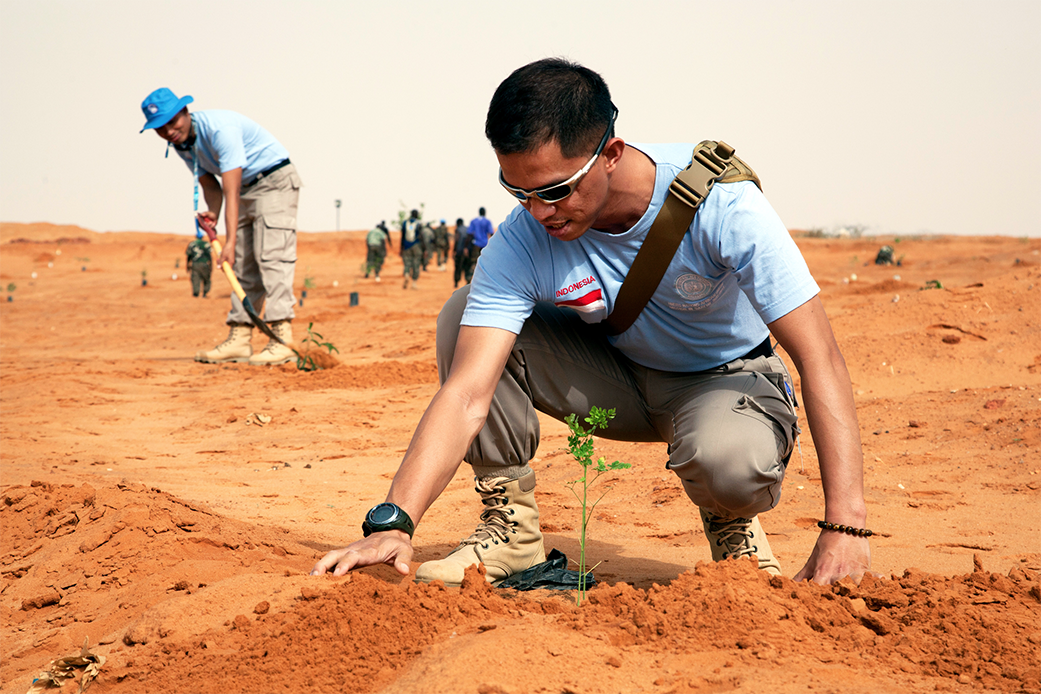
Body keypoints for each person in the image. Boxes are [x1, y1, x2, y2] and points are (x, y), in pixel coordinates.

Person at [312, 58, 872, 587]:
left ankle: (733, 524)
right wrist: (394, 522)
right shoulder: (524, 236)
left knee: (728, 463)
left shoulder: (724, 207)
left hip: (721, 382)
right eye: (518, 191)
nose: (539, 211)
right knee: (464, 316)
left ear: (610, 153)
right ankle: (512, 535)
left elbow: (819, 356)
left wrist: (845, 527)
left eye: (556, 190)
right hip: (616, 380)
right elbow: (466, 396)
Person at [140, 87, 301, 365]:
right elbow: (209, 184)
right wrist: (213, 213)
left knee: (272, 258)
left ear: (185, 112)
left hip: (273, 182)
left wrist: (229, 240)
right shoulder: (182, 143)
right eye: (160, 128)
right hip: (245, 191)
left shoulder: (220, 130)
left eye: (172, 122)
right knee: (242, 266)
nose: (168, 131)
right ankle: (239, 339)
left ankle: (282, 338)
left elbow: (231, 186)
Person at [464, 207, 493, 283]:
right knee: (485, 263)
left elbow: (469, 234)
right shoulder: (487, 222)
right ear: (485, 213)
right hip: (485, 245)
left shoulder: (474, 221)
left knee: (474, 262)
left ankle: (469, 279)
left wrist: (466, 247)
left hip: (475, 245)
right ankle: (484, 282)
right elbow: (491, 233)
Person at [400, 209, 423, 289]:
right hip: (416, 245)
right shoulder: (419, 223)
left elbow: (402, 236)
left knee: (407, 263)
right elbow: (421, 236)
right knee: (416, 264)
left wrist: (401, 248)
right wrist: (424, 248)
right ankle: (414, 283)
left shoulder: (405, 223)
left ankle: (406, 274)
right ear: (417, 215)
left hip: (406, 245)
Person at [451, 217, 473, 288]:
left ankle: (456, 282)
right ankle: (467, 281)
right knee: (467, 267)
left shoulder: (458, 230)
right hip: (467, 252)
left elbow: (456, 240)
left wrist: (454, 251)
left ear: (457, 224)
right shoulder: (468, 229)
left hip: (459, 252)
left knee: (458, 268)